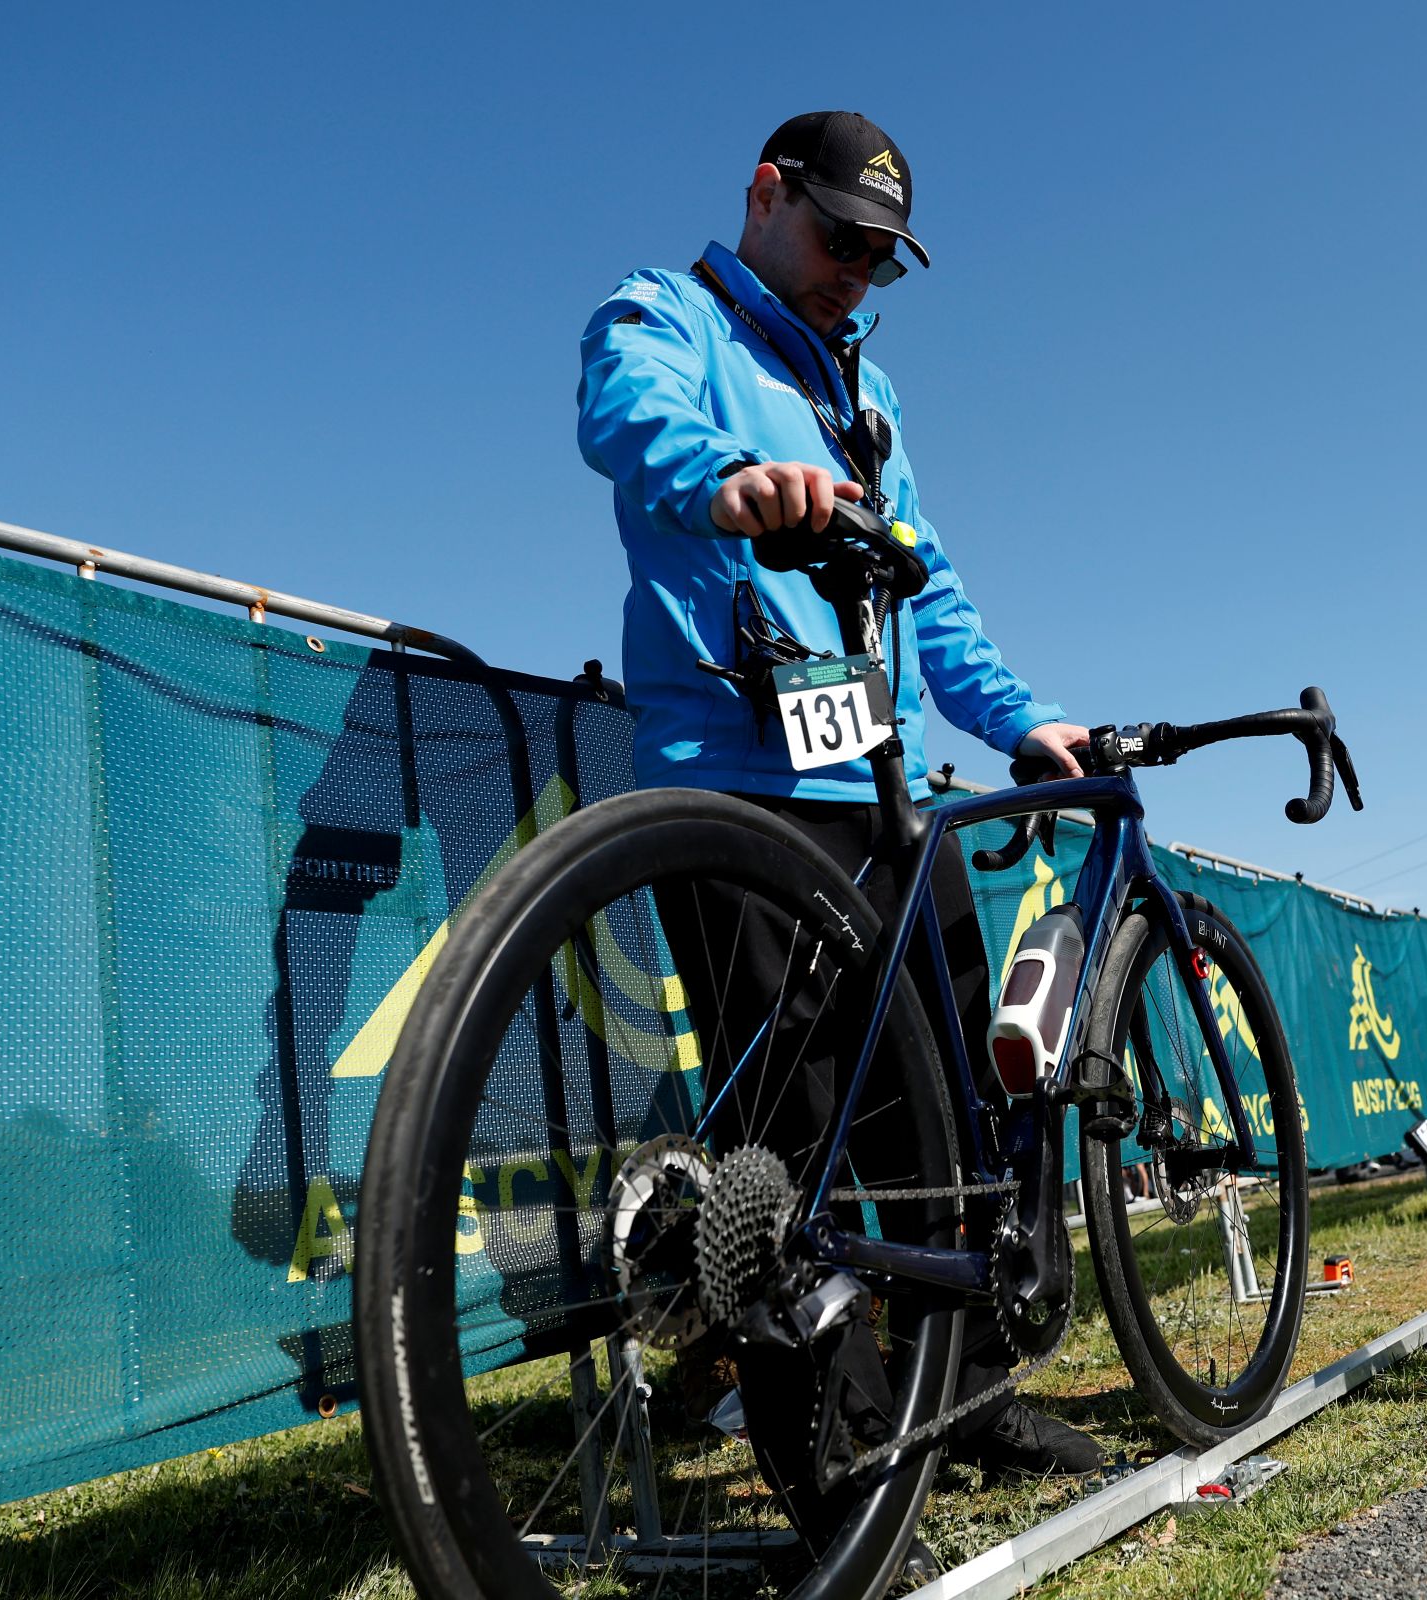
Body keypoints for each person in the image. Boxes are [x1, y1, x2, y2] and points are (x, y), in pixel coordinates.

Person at [576, 111, 1101, 1559]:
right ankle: (839, 1469)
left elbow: (931, 595)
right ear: (763, 193)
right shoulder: (665, 315)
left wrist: (1017, 720)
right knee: (787, 1158)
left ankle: (969, 1396)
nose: (857, 277)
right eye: (840, 241)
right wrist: (730, 482)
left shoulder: (864, 385)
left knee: (939, 1132)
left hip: (885, 785)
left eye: (884, 259)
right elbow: (626, 417)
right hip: (739, 786)